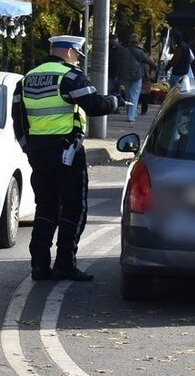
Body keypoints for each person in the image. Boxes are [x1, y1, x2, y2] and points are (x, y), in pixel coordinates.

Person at [22, 35, 124, 282]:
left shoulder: (27, 78)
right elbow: (95, 105)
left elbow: (19, 119)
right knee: (73, 207)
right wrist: (115, 101)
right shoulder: (69, 76)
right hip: (66, 151)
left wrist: (29, 148)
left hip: (39, 153)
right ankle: (65, 265)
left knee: (45, 208)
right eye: (77, 55)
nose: (78, 60)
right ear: (69, 52)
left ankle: (39, 266)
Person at [118, 34, 156, 123]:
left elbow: (119, 64)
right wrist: (155, 67)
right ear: (137, 41)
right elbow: (149, 61)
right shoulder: (140, 52)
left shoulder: (124, 51)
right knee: (134, 95)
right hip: (137, 75)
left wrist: (118, 75)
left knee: (128, 95)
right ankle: (131, 116)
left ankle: (130, 113)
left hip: (125, 76)